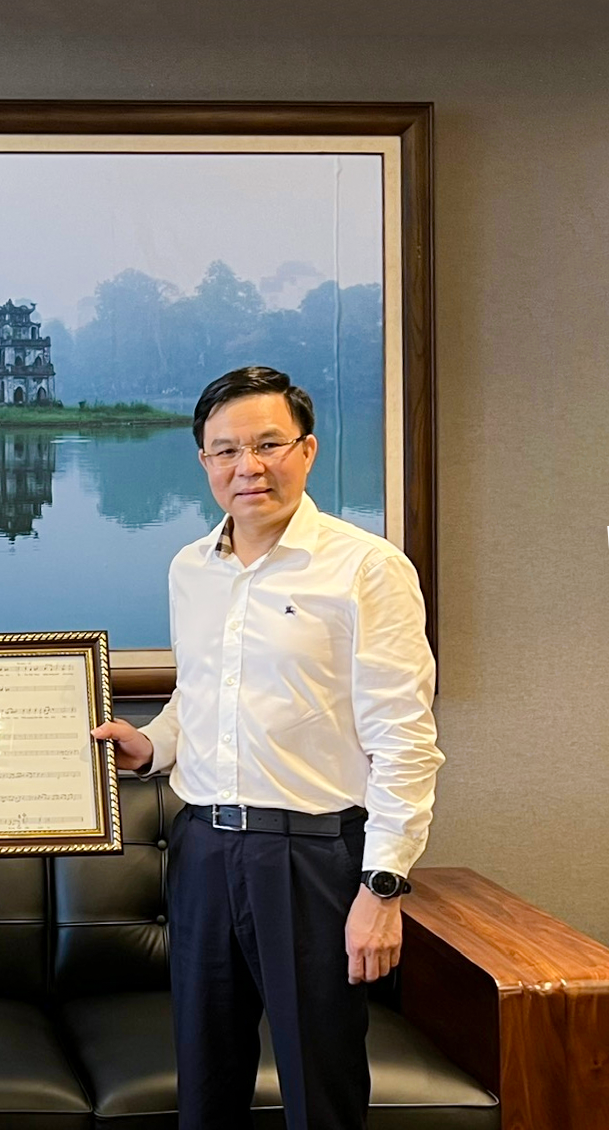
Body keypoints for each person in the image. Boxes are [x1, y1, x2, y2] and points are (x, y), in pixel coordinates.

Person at [92, 366, 442, 1130]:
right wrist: (149, 746)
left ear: (307, 450)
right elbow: (199, 695)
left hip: (311, 858)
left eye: (268, 444)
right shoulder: (191, 568)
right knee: (205, 1086)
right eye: (226, 451)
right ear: (204, 462)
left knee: (321, 1091)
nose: (247, 467)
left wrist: (383, 888)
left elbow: (406, 738)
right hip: (202, 852)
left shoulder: (367, 568)